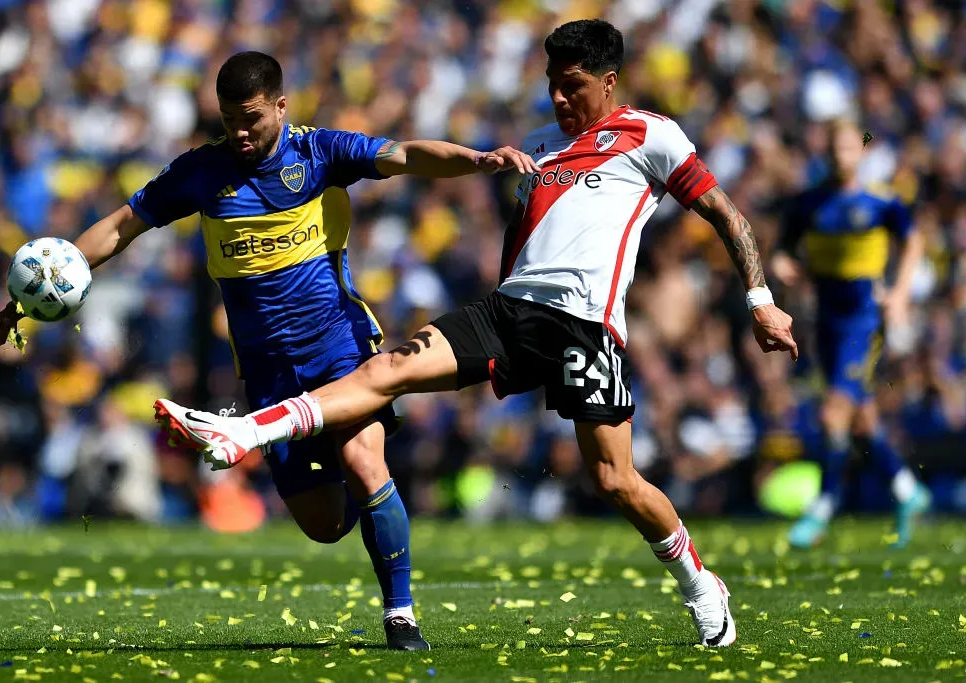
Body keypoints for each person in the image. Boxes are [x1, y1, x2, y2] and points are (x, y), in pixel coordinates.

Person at [154, 20, 799, 648]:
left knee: (614, 480)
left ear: (609, 81)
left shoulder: (651, 137)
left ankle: (698, 582)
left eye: (571, 85)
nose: (557, 97)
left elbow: (724, 211)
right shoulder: (539, 145)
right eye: (551, 83)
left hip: (584, 325)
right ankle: (246, 430)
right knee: (387, 371)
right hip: (507, 311)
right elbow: (522, 237)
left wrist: (761, 299)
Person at [0, 50, 537, 651]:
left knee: (363, 464)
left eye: (251, 118)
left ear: (280, 105)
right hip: (270, 373)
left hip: (341, 350)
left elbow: (404, 155)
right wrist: (42, 290)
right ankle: (379, 510)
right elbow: (121, 225)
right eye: (228, 120)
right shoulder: (202, 172)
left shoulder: (320, 152)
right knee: (324, 525)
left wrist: (477, 159)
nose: (240, 133)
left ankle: (400, 615)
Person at [772, 119, 931, 549]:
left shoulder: (880, 201)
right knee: (861, 420)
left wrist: (898, 293)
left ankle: (824, 505)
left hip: (865, 319)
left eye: (848, 147)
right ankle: (906, 489)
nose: (841, 155)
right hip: (826, 318)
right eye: (834, 148)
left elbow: (914, 242)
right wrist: (785, 266)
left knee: (832, 413)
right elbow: (784, 250)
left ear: (860, 150)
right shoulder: (809, 203)